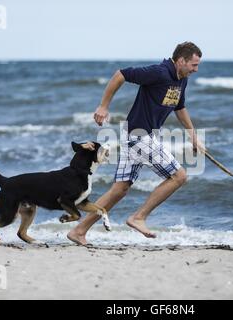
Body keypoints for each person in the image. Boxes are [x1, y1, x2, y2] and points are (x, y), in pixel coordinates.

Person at [67, 41, 203, 245]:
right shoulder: (159, 72)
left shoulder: (181, 79)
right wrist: (103, 106)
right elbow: (121, 74)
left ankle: (79, 231)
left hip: (139, 135)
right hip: (139, 135)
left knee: (119, 189)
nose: (196, 69)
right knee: (179, 176)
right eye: (193, 64)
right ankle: (138, 217)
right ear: (181, 60)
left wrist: (193, 135)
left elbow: (180, 107)